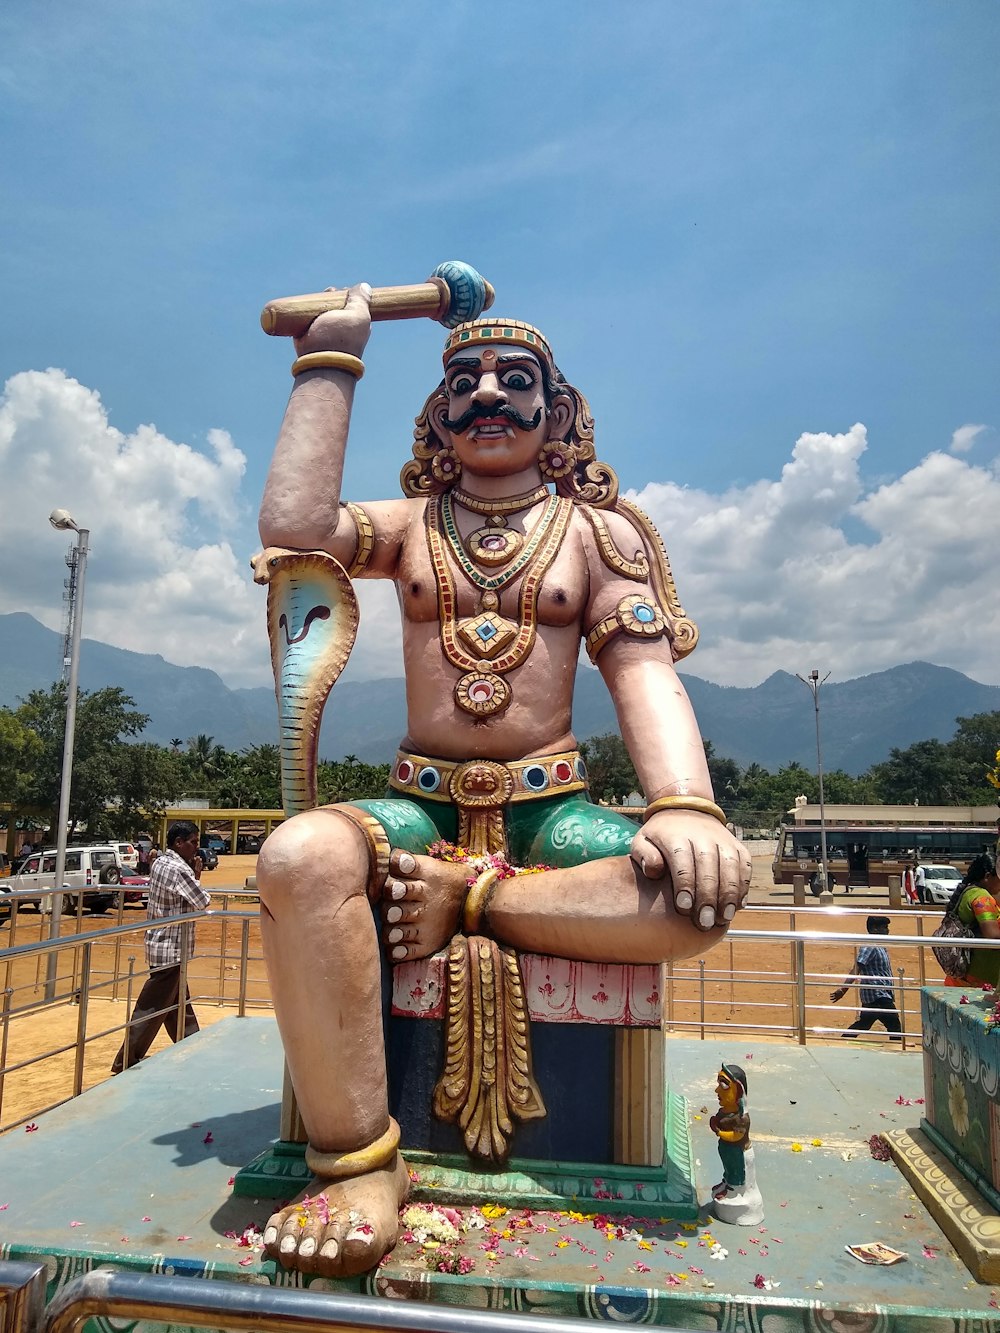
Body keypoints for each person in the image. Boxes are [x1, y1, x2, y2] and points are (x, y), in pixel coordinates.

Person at [253, 289, 752, 1277]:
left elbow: (643, 674)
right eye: (462, 383)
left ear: (555, 414)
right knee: (298, 856)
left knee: (694, 898)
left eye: (514, 381)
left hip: (551, 815)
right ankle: (355, 1161)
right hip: (417, 803)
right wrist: (329, 364)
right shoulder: (406, 527)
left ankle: (475, 900)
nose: (486, 395)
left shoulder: (600, 537)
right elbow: (296, 522)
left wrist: (686, 805)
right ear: (437, 417)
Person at [111, 821, 209, 1073]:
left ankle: (193, 1048)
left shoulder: (160, 863)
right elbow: (202, 900)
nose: (197, 848)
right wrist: (196, 876)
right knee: (152, 1007)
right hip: (171, 948)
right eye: (194, 842)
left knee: (179, 1008)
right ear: (179, 843)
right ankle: (126, 1060)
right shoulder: (178, 869)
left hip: (162, 944)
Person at [830, 914, 902, 1040]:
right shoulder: (870, 946)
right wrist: (843, 990)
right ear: (874, 929)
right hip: (877, 994)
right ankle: (899, 1050)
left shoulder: (880, 945)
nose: (887, 930)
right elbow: (856, 968)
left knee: (864, 1023)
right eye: (884, 927)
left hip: (878, 994)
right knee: (894, 1026)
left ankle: (843, 1040)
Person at [710, 1063, 763, 1225]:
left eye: (724, 1086)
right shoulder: (726, 1111)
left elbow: (736, 1136)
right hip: (727, 1149)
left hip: (739, 1152)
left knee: (737, 1172)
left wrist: (720, 1132)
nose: (717, 1091)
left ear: (738, 1090)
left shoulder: (741, 1117)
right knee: (729, 1168)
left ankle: (736, 1189)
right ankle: (727, 1183)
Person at [941, 851, 1000, 990]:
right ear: (987, 876)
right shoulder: (982, 897)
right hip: (980, 977)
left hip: (962, 976)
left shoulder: (967, 891)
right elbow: (993, 936)